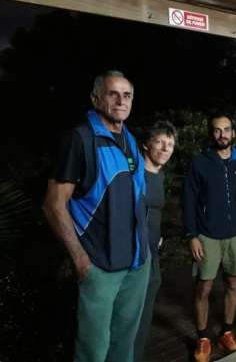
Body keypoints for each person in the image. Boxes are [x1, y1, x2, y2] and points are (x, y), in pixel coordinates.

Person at [43, 70, 151, 362]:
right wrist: (80, 260)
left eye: (127, 95)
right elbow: (53, 204)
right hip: (100, 266)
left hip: (136, 263)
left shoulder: (129, 138)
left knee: (123, 345)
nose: (121, 101)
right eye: (112, 93)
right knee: (93, 350)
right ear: (95, 98)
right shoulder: (79, 140)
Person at [182, 114, 236, 362]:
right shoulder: (200, 162)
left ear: (233, 133)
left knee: (233, 284)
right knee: (204, 287)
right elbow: (188, 201)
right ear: (211, 134)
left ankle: (226, 331)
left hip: (235, 234)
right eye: (216, 130)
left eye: (226, 130)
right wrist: (192, 235)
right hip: (207, 235)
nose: (222, 134)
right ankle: (202, 337)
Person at [134, 121, 177, 362]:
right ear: (146, 145)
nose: (165, 148)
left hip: (152, 251)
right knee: (131, 314)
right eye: (159, 142)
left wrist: (157, 236)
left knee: (144, 314)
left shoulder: (160, 174)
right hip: (133, 253)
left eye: (169, 144)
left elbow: (154, 211)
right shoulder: (135, 172)